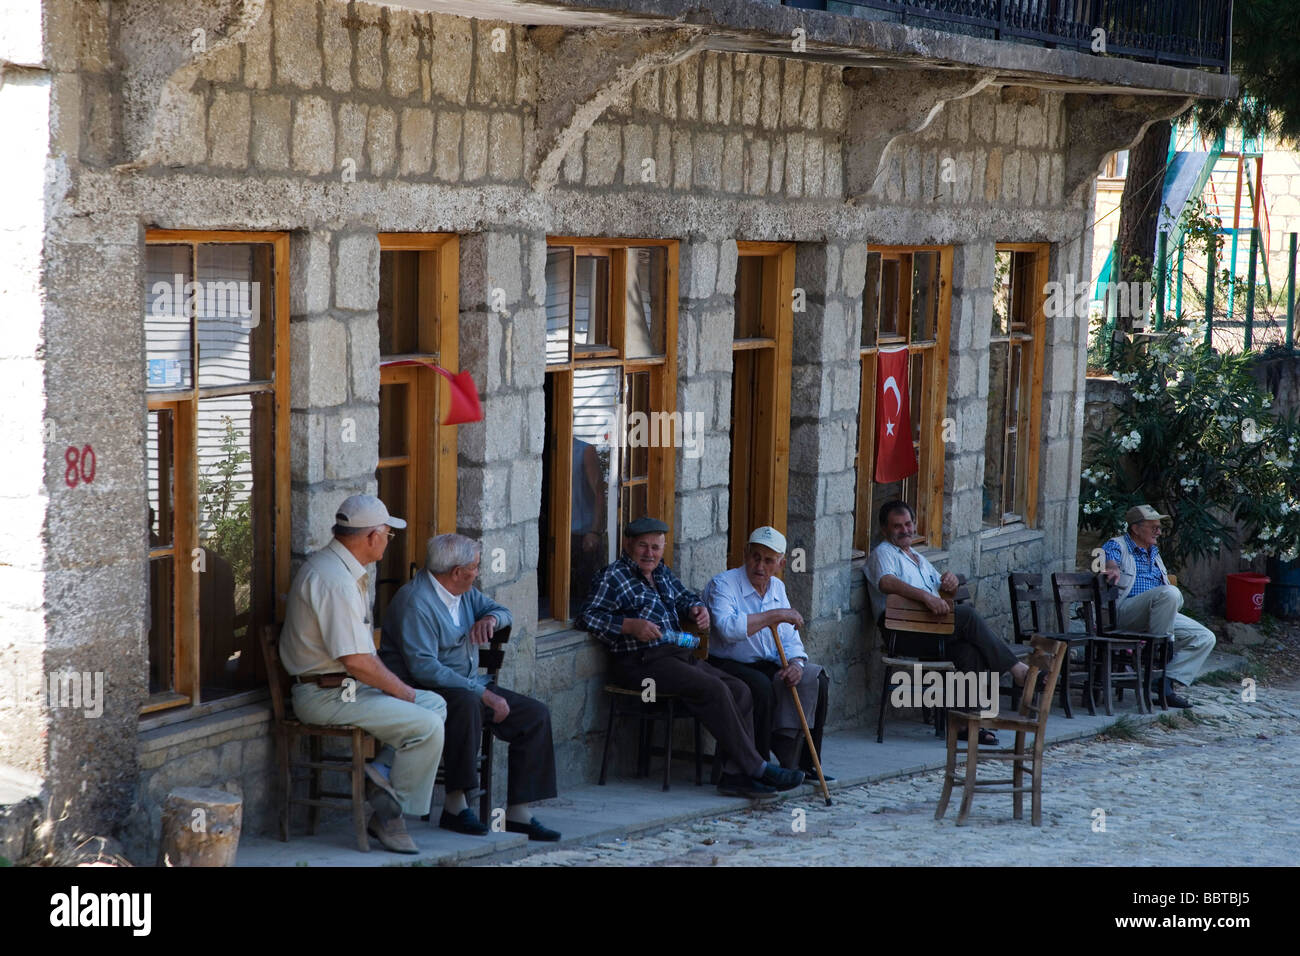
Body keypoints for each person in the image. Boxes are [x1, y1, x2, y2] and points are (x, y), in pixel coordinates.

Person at [575, 516, 806, 798]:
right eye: (643, 546)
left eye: (656, 547)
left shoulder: (661, 573)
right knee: (714, 688)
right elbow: (587, 617)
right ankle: (757, 767)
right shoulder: (612, 576)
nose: (650, 553)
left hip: (676, 655)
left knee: (740, 689)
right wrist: (629, 625)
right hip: (640, 662)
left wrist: (697, 609)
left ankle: (734, 776)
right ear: (628, 545)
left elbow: (685, 597)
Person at [280, 494, 446, 854]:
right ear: (372, 536)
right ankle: (390, 816)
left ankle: (382, 774)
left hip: (344, 689)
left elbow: (359, 660)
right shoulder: (334, 579)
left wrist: (408, 694)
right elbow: (355, 660)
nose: (388, 540)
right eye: (388, 533)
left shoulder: (344, 571)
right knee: (427, 722)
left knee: (434, 704)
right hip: (324, 695)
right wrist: (404, 692)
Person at [380, 533, 561, 842]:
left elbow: (505, 613)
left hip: (467, 687)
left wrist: (490, 618)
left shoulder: (464, 594)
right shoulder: (415, 602)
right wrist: (482, 693)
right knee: (466, 704)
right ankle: (455, 805)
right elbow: (424, 667)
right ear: (457, 572)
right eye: (475, 567)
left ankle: (518, 813)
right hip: (421, 691)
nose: (478, 572)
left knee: (535, 714)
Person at [865, 500, 1033, 745]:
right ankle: (1016, 669)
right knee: (966, 616)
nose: (905, 530)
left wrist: (949, 585)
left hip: (928, 630)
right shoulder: (883, 553)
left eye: (908, 524)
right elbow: (886, 582)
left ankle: (967, 723)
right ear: (884, 529)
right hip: (902, 633)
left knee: (968, 650)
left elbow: (940, 593)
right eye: (897, 526)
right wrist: (925, 596)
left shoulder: (918, 558)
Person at [704, 527, 831, 777]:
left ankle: (804, 763)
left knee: (817, 679)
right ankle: (760, 768)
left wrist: (796, 663)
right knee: (761, 687)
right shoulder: (724, 584)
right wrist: (775, 615)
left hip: (768, 662)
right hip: (726, 662)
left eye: (768, 560)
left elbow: (789, 636)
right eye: (755, 556)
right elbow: (728, 629)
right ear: (745, 554)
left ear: (781, 563)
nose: (760, 565)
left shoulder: (777, 588)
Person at [1102, 504, 1216, 709]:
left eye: (1159, 527)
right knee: (1170, 592)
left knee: (1205, 638)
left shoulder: (1154, 552)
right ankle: (1164, 647)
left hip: (1158, 613)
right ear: (1135, 529)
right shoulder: (1117, 545)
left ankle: (1162, 681)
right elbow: (1109, 558)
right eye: (1153, 526)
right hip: (1126, 612)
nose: (1159, 531)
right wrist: (1112, 567)